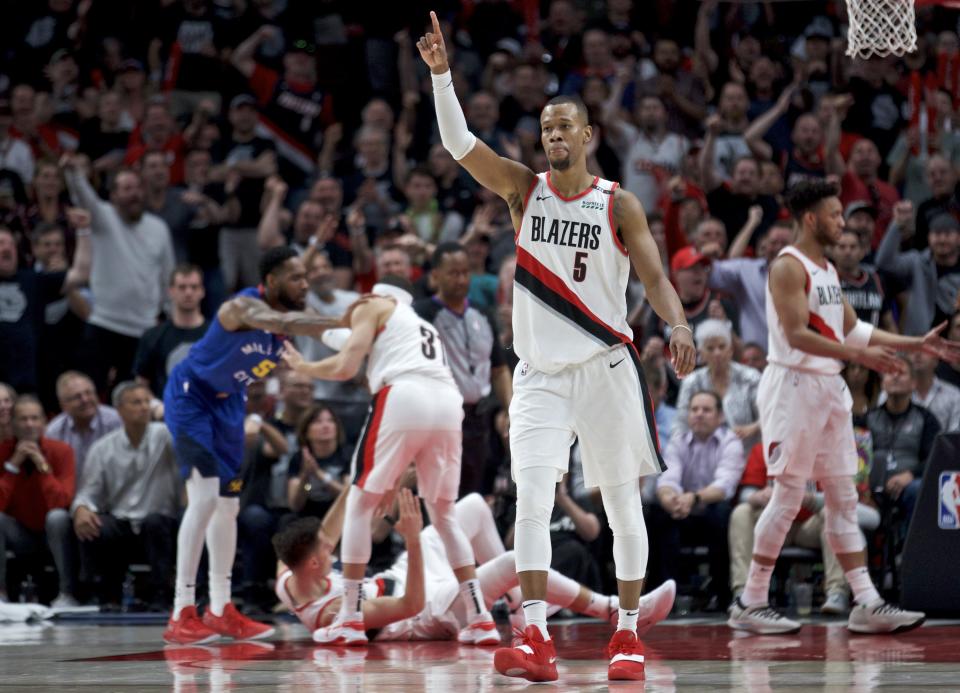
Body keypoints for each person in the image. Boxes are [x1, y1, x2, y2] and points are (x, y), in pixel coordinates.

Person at [417, 11, 697, 682]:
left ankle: (626, 634)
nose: (552, 136)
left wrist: (679, 323)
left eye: (563, 126)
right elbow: (460, 144)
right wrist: (442, 77)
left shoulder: (618, 204)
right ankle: (535, 633)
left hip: (606, 367)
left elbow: (655, 276)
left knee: (623, 502)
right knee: (533, 498)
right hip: (540, 375)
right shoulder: (523, 189)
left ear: (588, 135)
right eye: (545, 128)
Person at [727, 179, 960, 636]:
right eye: (835, 215)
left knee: (843, 495)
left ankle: (866, 602)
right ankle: (751, 601)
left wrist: (918, 344)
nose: (843, 222)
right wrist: (857, 356)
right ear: (811, 219)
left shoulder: (827, 269)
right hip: (792, 386)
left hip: (829, 388)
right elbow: (796, 334)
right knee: (789, 494)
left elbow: (854, 331)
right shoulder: (788, 267)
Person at [281, 277, 498, 646]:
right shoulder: (418, 325)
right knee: (444, 516)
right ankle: (481, 617)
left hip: (405, 393)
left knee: (360, 503)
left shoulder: (373, 304)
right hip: (448, 402)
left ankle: (350, 617)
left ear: (375, 295)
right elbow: (341, 339)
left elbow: (346, 366)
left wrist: (305, 367)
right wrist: (310, 321)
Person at [161, 246, 345, 645]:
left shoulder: (281, 332)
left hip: (230, 406)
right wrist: (349, 319)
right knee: (205, 498)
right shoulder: (241, 308)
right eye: (296, 278)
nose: (304, 285)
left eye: (306, 277)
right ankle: (181, 611)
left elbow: (289, 320)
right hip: (192, 399)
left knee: (228, 508)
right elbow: (277, 317)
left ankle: (221, 608)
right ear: (273, 281)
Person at [273, 487, 676, 643]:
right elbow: (411, 604)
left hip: (398, 575)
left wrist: (359, 482)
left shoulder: (290, 576)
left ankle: (519, 607)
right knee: (518, 561)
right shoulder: (331, 614)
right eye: (326, 553)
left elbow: (320, 536)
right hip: (430, 607)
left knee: (471, 507)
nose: (333, 550)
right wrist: (412, 539)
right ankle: (612, 609)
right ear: (313, 563)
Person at [413, 242, 512, 497]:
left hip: (479, 420)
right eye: (453, 273)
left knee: (473, 495)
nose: (461, 279)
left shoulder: (483, 314)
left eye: (465, 272)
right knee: (441, 497)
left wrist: (511, 409)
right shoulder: (421, 315)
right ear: (435, 276)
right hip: (440, 420)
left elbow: (499, 370)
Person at [71, 382, 180, 610]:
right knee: (97, 524)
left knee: (155, 522)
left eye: (146, 402)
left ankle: (162, 593)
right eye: (136, 402)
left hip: (162, 522)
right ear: (119, 409)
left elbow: (189, 436)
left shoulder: (166, 436)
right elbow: (88, 492)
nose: (143, 408)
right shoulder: (103, 448)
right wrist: (81, 508)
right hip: (123, 523)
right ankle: (105, 594)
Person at [652, 391, 745, 608]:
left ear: (720, 416)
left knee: (721, 512)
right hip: (683, 513)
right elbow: (667, 479)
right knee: (656, 512)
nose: (699, 415)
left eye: (706, 410)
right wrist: (670, 499)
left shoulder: (730, 442)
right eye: (694, 410)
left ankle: (720, 592)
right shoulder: (678, 441)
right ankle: (664, 594)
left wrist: (693, 498)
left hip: (712, 514)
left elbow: (725, 486)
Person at [0, 395, 76, 606]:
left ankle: (67, 593)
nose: (29, 424)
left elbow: (61, 500)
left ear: (44, 422)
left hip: (54, 532)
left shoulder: (62, 451)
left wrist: (42, 466)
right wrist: (13, 466)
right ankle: (1, 594)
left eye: (34, 418)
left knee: (57, 517)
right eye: (23, 419)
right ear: (12, 423)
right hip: (20, 533)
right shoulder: (3, 452)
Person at [672, 320, 761, 452]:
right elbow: (680, 425)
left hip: (747, 453)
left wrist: (753, 428)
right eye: (710, 348)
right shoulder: (692, 382)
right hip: (703, 455)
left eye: (722, 346)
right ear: (701, 354)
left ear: (730, 350)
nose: (717, 353)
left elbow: (768, 416)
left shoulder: (751, 377)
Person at [133, 264, 210, 403]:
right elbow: (141, 383)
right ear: (171, 291)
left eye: (194, 287)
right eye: (182, 287)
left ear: (202, 291)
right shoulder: (153, 336)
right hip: (165, 415)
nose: (188, 292)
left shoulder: (217, 335)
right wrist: (156, 406)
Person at [46, 371, 122, 480]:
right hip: (74, 494)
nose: (85, 400)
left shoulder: (116, 421)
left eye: (89, 393)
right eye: (77, 397)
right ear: (63, 405)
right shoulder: (54, 432)